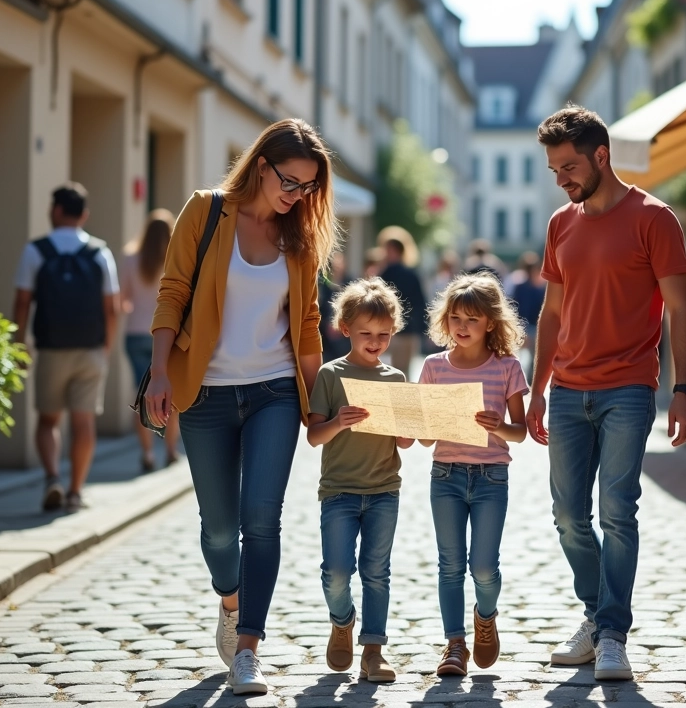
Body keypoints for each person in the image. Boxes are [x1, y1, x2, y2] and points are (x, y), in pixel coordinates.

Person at [144, 118, 338, 695]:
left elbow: (307, 322)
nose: (296, 195)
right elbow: (173, 291)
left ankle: (249, 648)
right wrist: (159, 371)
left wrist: (315, 402)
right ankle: (229, 601)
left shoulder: (300, 233)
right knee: (220, 531)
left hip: (273, 391)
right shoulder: (206, 211)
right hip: (204, 392)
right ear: (261, 166)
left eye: (307, 186)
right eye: (289, 181)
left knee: (261, 518)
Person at [527, 106, 686, 681]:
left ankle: (613, 635)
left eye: (569, 167)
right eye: (554, 170)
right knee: (568, 515)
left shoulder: (655, 219)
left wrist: (684, 389)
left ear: (601, 155)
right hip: (568, 390)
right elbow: (552, 314)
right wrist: (538, 389)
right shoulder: (560, 224)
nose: (561, 179)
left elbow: (681, 310)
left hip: (628, 387)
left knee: (618, 512)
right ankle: (598, 615)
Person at [417, 274, 528, 677]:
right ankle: (454, 645)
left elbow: (520, 432)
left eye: (473, 320)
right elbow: (424, 438)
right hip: (445, 475)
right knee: (450, 565)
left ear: (490, 323)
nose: (462, 327)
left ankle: (486, 616)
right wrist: (430, 422)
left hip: (491, 478)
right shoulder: (433, 367)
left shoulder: (508, 367)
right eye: (456, 318)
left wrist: (499, 426)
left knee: (483, 566)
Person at [306, 277, 414, 683]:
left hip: (384, 490)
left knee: (376, 572)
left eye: (384, 334)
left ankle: (373, 651)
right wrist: (339, 421)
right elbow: (314, 436)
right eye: (366, 333)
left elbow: (405, 441)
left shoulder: (396, 378)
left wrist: (407, 425)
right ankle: (342, 621)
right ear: (345, 328)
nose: (375, 342)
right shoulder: (331, 375)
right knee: (335, 573)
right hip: (339, 491)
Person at [13, 182, 120, 514]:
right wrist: (106, 347)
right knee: (83, 423)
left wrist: (19, 344)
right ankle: (75, 493)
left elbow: (22, 302)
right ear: (84, 215)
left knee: (48, 421)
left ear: (56, 210)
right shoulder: (100, 252)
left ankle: (52, 478)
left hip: (51, 348)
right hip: (91, 349)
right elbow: (112, 307)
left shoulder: (35, 251)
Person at [120, 209, 181, 472]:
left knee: (142, 396)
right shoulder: (175, 259)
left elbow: (122, 300)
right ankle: (170, 450)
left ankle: (146, 453)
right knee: (171, 396)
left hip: (136, 334)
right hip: (167, 335)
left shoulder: (131, 258)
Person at [378, 233, 427, 378]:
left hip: (393, 331)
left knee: (391, 373)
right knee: (403, 373)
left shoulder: (386, 273)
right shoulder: (411, 274)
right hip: (408, 331)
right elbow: (420, 303)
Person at [510, 254, 547, 382]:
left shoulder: (523, 286)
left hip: (529, 326)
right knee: (530, 356)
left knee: (528, 356)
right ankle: (528, 380)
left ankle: (528, 380)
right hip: (530, 326)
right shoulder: (537, 287)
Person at [319, 251, 353, 362]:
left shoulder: (351, 283)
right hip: (325, 335)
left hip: (344, 333)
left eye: (339, 261)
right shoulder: (323, 284)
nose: (337, 265)